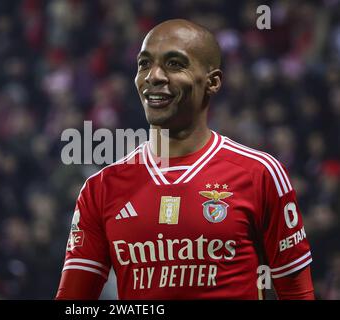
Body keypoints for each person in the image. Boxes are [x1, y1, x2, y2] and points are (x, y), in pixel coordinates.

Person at [55, 19, 315, 299]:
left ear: (212, 82)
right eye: (144, 64)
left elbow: (297, 294)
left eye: (174, 64)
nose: (153, 76)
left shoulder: (260, 174)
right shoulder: (101, 189)